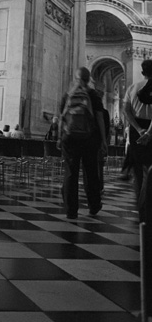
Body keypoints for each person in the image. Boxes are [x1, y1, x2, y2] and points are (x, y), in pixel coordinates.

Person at [57, 67, 108, 220]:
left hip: (70, 138)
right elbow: (99, 117)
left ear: (75, 78)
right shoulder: (93, 94)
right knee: (91, 172)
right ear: (89, 79)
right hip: (89, 138)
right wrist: (104, 140)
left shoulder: (68, 94)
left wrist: (60, 137)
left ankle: (71, 211)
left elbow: (61, 117)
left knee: (70, 173)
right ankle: (94, 206)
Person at [123, 59, 152, 222]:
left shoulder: (133, 88)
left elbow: (126, 111)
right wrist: (148, 132)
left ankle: (142, 211)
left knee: (139, 172)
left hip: (137, 130)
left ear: (143, 72)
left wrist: (138, 129)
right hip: (150, 129)